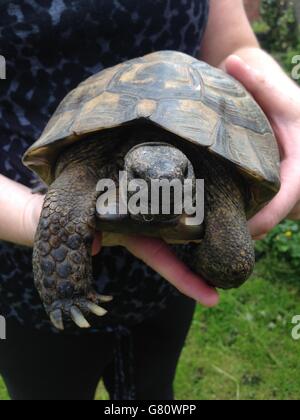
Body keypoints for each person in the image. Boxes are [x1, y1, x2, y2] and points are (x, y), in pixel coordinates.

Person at [0, 0, 299, 401]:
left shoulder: (206, 172)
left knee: (155, 386)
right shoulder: (90, 164)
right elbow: (60, 211)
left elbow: (234, 44)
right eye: (143, 180)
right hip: (20, 266)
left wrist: (280, 95)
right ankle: (66, 294)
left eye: (174, 180)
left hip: (165, 283)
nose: (159, 190)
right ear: (125, 168)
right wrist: (33, 227)